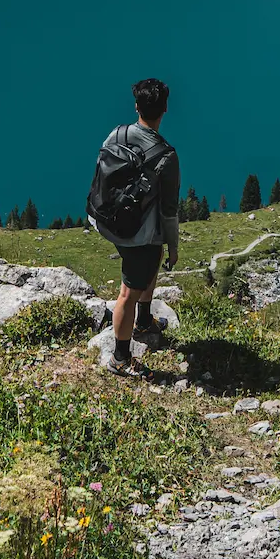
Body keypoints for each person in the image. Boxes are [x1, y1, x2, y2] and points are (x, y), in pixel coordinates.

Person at [86, 76, 180, 375]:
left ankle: (143, 321)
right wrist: (174, 245)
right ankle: (120, 358)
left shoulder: (117, 134)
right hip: (137, 233)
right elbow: (169, 211)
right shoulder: (166, 156)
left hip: (105, 219)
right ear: (165, 109)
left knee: (151, 257)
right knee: (128, 291)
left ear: (136, 106)